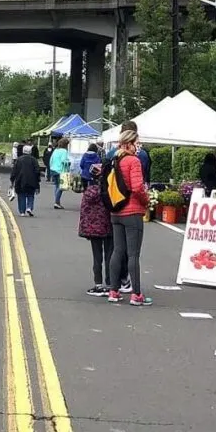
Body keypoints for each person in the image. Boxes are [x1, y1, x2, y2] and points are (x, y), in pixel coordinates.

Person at [107, 129, 152, 306]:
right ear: (130, 143)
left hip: (116, 210)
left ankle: (113, 290)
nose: (138, 146)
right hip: (132, 211)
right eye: (137, 143)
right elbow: (137, 187)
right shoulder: (133, 161)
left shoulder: (115, 159)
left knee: (117, 251)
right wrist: (146, 200)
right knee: (133, 254)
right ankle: (136, 294)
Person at [79, 163, 113, 297]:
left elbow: (85, 211)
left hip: (93, 228)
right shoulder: (109, 191)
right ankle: (111, 284)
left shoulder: (88, 192)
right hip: (108, 226)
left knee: (97, 256)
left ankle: (98, 284)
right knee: (110, 255)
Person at [11, 145, 41, 216]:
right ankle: (29, 207)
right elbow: (37, 171)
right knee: (31, 195)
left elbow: (14, 171)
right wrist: (38, 181)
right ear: (30, 151)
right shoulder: (34, 160)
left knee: (21, 195)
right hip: (32, 180)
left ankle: (22, 211)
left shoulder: (19, 160)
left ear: (23, 151)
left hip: (20, 180)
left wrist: (12, 180)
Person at [49, 137, 71, 209]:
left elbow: (51, 160)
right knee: (60, 187)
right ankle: (57, 202)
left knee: (56, 185)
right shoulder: (64, 151)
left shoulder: (55, 150)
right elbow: (64, 161)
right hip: (60, 170)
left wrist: (51, 167)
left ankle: (57, 201)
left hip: (53, 169)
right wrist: (69, 163)